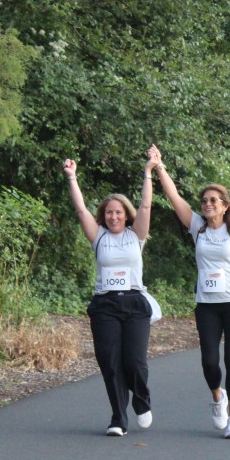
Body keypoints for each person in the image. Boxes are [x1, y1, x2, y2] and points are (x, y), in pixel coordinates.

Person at [152, 147, 230, 440]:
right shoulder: (197, 227)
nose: (208, 204)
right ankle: (217, 396)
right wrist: (160, 167)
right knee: (209, 361)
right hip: (207, 305)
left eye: (214, 200)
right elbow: (174, 197)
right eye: (204, 201)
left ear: (225, 206)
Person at [64, 149, 155, 437]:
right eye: (109, 212)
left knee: (134, 362)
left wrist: (148, 172)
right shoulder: (98, 236)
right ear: (103, 216)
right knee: (110, 362)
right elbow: (81, 210)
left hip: (135, 303)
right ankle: (118, 417)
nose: (113, 216)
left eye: (118, 212)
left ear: (126, 215)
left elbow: (146, 205)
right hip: (105, 305)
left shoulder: (135, 235)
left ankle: (141, 399)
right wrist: (72, 177)